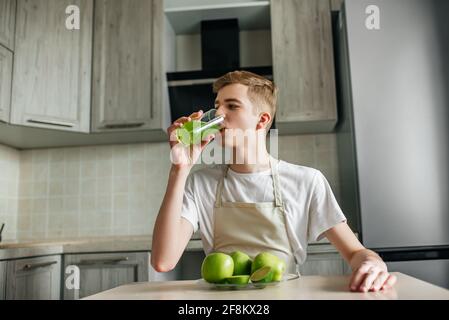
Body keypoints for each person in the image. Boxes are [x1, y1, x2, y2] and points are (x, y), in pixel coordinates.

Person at [151, 70, 397, 292]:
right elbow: (163, 261)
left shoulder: (306, 181)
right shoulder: (200, 183)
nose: (218, 114)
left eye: (232, 106)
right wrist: (179, 169)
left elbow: (356, 252)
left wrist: (372, 263)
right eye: (217, 106)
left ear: (262, 120)